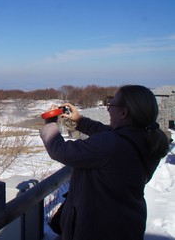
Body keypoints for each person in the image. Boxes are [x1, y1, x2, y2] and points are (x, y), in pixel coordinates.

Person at [40, 85, 170, 240]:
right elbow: (111, 134)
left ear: (124, 112)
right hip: (126, 224)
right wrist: (80, 121)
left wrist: (50, 123)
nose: (108, 109)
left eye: (111, 104)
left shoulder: (112, 145)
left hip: (97, 229)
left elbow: (60, 150)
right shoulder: (146, 138)